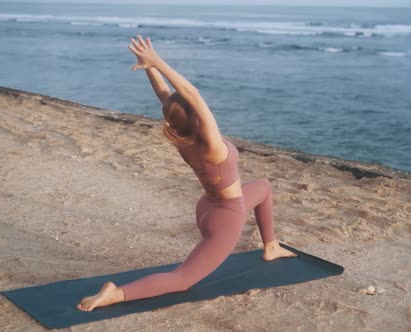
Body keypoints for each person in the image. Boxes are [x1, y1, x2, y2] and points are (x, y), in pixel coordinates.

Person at [76, 35, 297, 312]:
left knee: (263, 186)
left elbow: (166, 97)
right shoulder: (213, 147)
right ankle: (115, 293)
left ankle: (271, 246)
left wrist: (149, 67)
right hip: (227, 216)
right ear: (197, 118)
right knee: (182, 279)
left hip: (208, 206)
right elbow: (192, 94)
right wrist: (157, 60)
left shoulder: (183, 138)